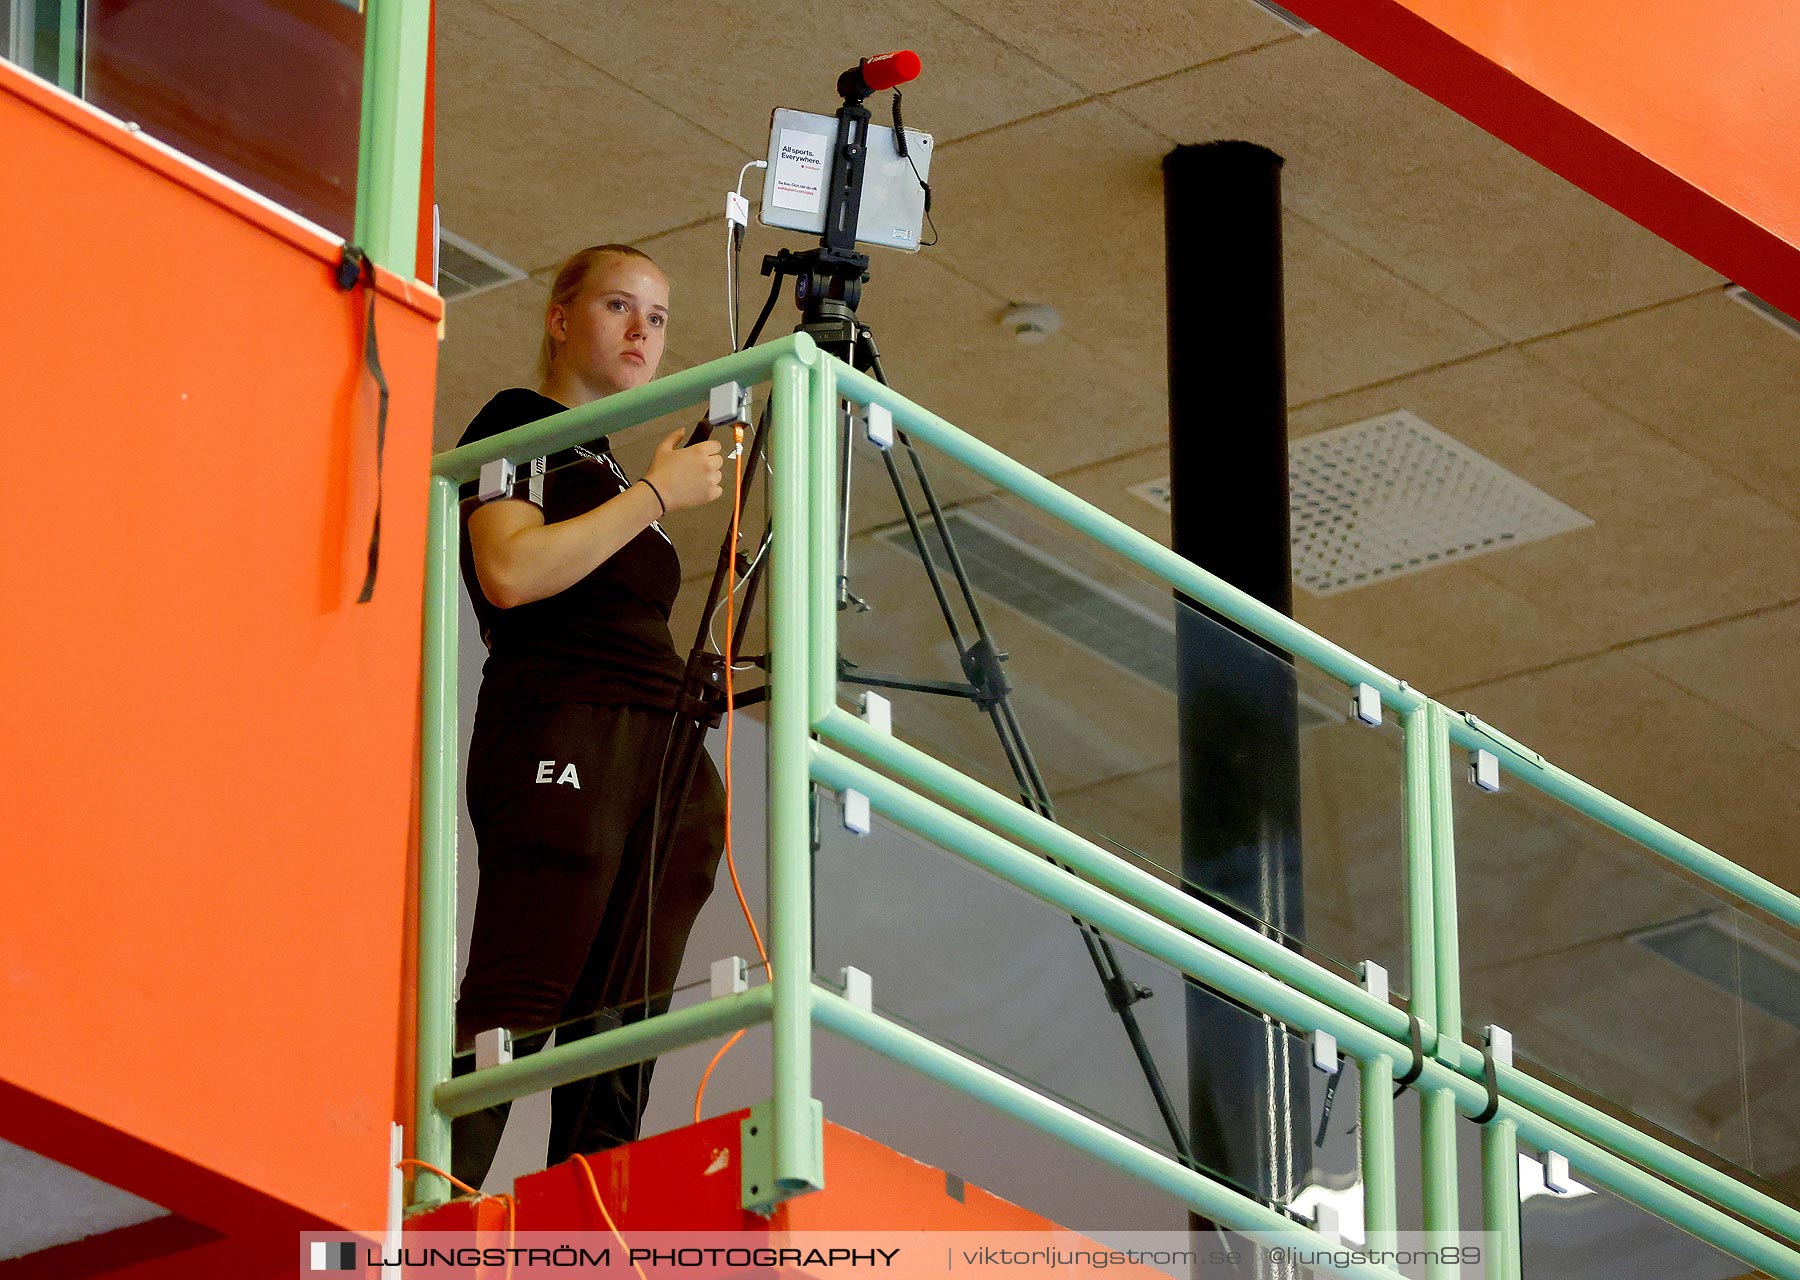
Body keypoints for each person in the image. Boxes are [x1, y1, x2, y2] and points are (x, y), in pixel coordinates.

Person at [449, 243, 727, 1190]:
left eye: (658, 315)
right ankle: (425, 1207)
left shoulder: (610, 475)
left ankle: (590, 1238)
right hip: (564, 731)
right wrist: (658, 493)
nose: (643, 330)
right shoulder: (517, 427)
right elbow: (511, 572)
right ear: (561, 319)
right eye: (619, 306)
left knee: (622, 1029)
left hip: (660, 750)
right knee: (523, 992)